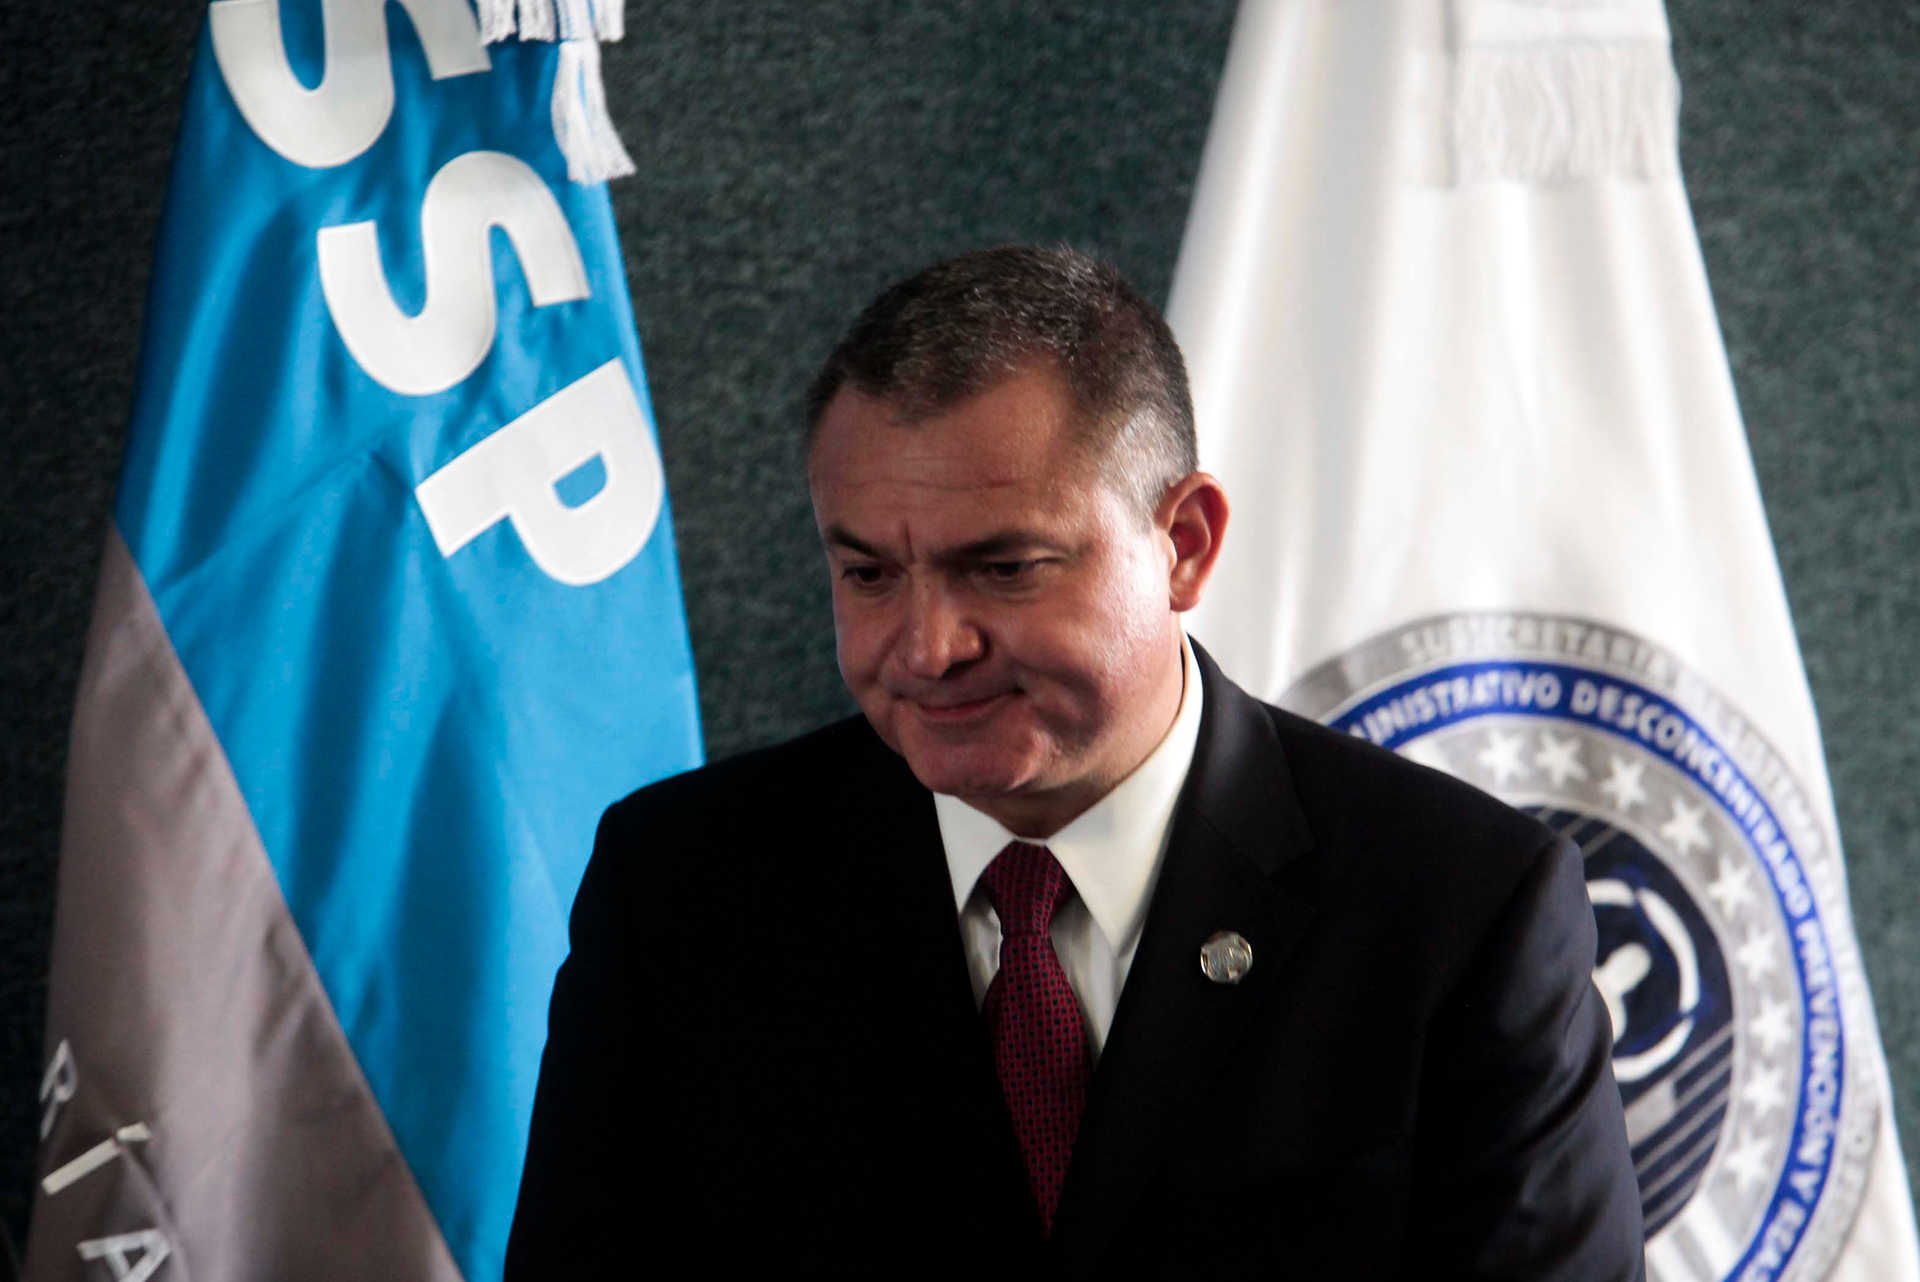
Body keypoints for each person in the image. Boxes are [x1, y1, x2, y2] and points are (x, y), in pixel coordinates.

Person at [505, 245, 1645, 1278]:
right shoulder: (684, 888)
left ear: (1184, 544)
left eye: (1005, 569)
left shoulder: (1461, 909)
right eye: (869, 575)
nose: (927, 647)